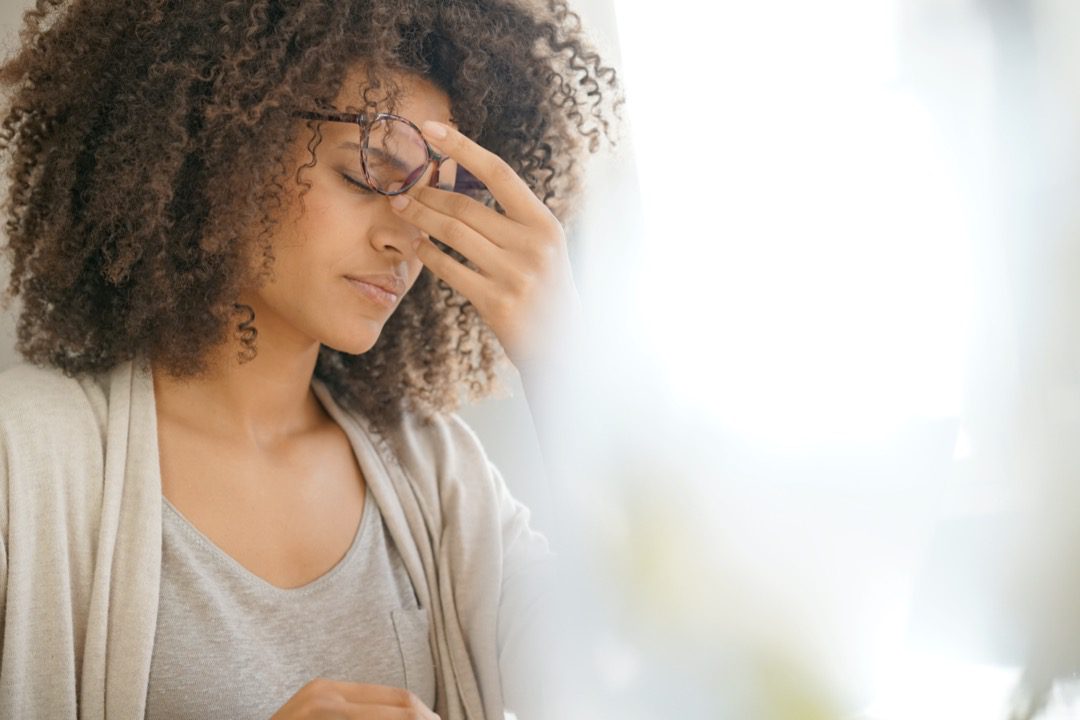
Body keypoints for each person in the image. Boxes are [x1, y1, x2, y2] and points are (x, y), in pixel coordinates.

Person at [0, 1, 619, 718]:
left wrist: (566, 372)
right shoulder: (24, 463)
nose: (403, 240)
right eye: (370, 173)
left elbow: (640, 676)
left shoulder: (440, 478)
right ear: (224, 137)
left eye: (434, 200)